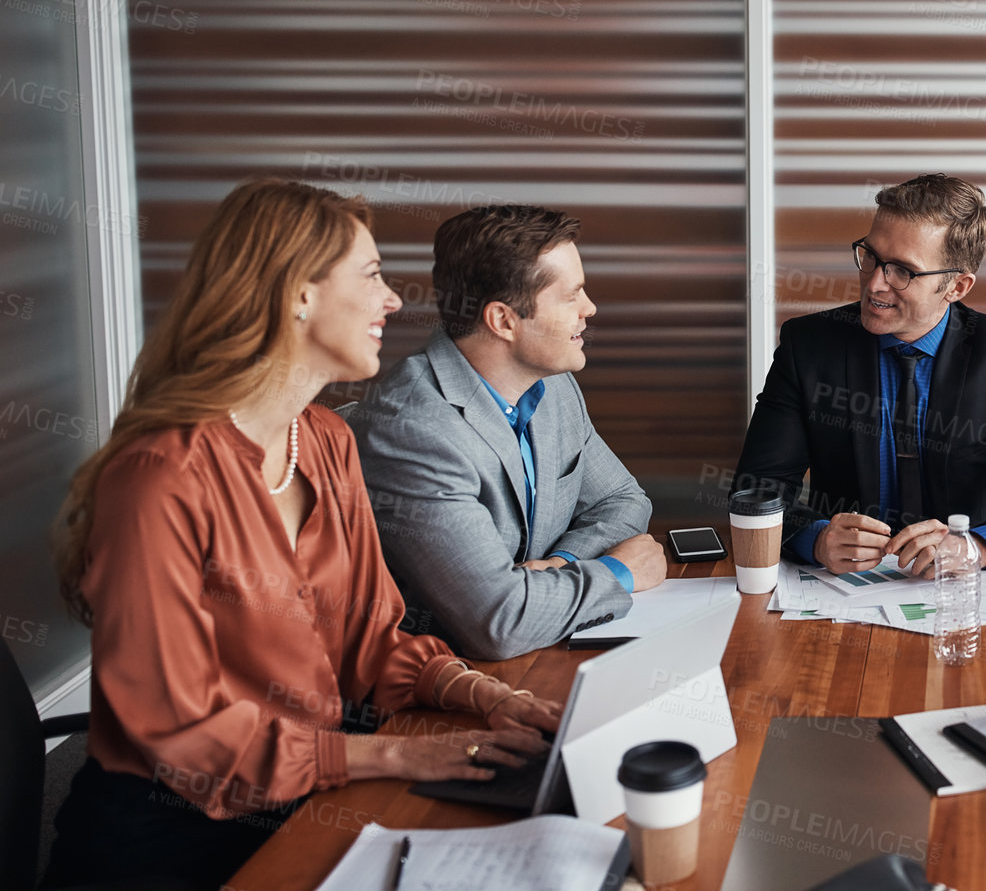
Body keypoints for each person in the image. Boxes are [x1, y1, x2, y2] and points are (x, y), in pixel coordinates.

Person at [44, 181, 561, 891]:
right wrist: (388, 758)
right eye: (373, 275)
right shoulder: (160, 476)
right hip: (171, 838)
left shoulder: (322, 439)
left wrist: (476, 693)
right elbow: (177, 732)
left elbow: (370, 642)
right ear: (296, 294)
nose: (391, 300)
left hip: (308, 794)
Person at [350, 205, 665, 661]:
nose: (589, 308)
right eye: (572, 295)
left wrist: (564, 565)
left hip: (542, 654)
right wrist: (619, 571)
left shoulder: (552, 383)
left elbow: (623, 501)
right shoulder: (412, 429)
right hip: (448, 690)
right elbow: (499, 622)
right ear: (503, 321)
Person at [734, 174, 986, 576]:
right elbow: (757, 489)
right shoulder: (808, 345)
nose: (874, 283)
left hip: (969, 592)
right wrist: (817, 538)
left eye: (903, 271)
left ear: (957, 286)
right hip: (844, 589)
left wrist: (979, 547)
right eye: (871, 257)